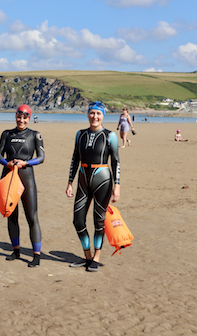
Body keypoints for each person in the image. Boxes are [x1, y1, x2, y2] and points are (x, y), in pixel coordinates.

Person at [65, 101, 120, 272]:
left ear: (103, 116)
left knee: (99, 221)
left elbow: (116, 162)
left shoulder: (110, 136)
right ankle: (87, 256)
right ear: (87, 114)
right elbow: (75, 159)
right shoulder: (80, 134)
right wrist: (69, 182)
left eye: (98, 114)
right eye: (92, 113)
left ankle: (96, 256)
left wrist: (117, 186)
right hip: (83, 178)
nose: (94, 116)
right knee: (78, 220)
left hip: (102, 180)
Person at [0, 104, 45, 268]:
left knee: (32, 217)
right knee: (11, 216)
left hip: (26, 178)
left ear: (29, 118)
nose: (21, 120)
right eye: (19, 116)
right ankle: (16, 251)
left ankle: (36, 255)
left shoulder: (34, 135)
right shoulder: (6, 134)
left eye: (24, 117)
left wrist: (26, 163)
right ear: (15, 116)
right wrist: (6, 163)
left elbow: (42, 157)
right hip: (8, 177)